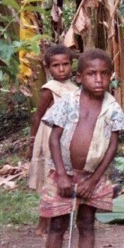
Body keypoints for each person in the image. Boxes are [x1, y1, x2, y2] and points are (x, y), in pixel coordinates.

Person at [29, 49, 124, 248]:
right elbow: (54, 138)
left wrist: (94, 180)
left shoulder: (112, 107)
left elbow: (112, 145)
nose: (98, 80)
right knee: (57, 225)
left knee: (86, 223)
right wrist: (62, 174)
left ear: (110, 77)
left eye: (104, 74)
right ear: (79, 76)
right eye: (91, 74)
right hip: (62, 174)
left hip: (91, 177)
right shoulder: (67, 102)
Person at [27, 44, 78, 234]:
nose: (62, 69)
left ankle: (62, 219)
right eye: (56, 66)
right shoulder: (50, 89)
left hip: (68, 137)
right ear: (48, 68)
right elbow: (38, 115)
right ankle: (42, 223)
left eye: (66, 64)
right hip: (51, 137)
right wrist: (32, 140)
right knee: (52, 178)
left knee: (67, 176)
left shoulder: (74, 88)